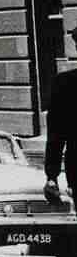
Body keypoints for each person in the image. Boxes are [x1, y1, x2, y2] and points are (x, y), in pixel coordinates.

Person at [45, 67, 77, 203]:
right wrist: (52, 176)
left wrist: (52, 177)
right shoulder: (65, 82)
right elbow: (55, 136)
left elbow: (55, 137)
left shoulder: (65, 82)